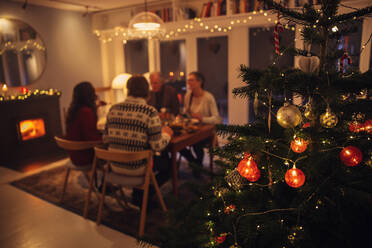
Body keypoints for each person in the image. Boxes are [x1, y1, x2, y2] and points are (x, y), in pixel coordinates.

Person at [103, 75, 174, 206]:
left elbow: (105, 138)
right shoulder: (149, 112)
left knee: (155, 158)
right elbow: (157, 146)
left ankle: (138, 194)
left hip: (115, 166)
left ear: (128, 90)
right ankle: (144, 195)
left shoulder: (113, 109)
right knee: (169, 166)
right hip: (138, 168)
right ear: (147, 91)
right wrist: (167, 134)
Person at [180, 72, 221, 169]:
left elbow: (217, 119)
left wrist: (202, 118)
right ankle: (195, 164)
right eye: (188, 80)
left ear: (199, 82)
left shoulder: (208, 97)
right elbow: (187, 113)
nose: (188, 82)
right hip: (192, 129)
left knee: (196, 145)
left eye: (191, 80)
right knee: (178, 144)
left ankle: (197, 167)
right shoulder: (188, 96)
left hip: (206, 132)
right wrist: (184, 116)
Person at [65, 81, 102, 166]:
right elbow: (92, 138)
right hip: (84, 156)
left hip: (74, 154)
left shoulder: (74, 110)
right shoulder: (86, 112)